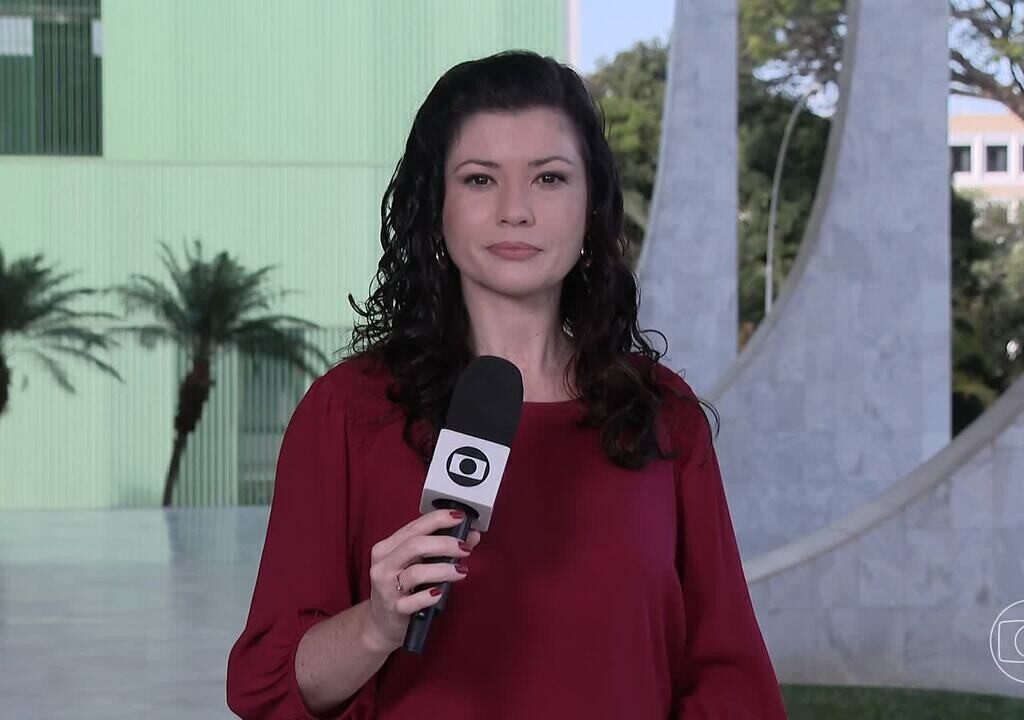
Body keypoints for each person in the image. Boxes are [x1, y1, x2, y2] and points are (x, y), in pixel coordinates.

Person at [226, 50, 788, 719]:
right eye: (479, 179)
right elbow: (271, 686)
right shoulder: (348, 411)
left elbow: (731, 681)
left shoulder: (661, 413)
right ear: (436, 206)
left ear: (590, 206)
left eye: (549, 178)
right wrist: (377, 624)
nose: (515, 210)